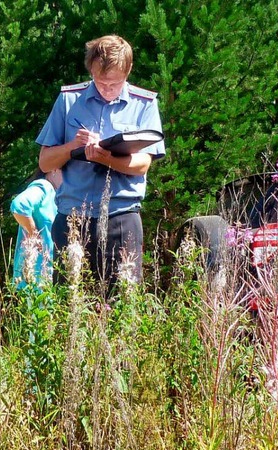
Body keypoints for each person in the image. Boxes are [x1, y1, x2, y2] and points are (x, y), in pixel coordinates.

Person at [36, 35, 166, 291]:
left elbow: (143, 165)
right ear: (91, 71)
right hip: (73, 218)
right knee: (68, 300)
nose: (106, 89)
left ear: (127, 73)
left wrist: (107, 156)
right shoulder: (68, 101)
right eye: (99, 81)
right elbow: (45, 162)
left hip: (121, 217)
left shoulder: (145, 105)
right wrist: (72, 146)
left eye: (114, 84)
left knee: (123, 302)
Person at [11, 169, 62, 289]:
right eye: (67, 171)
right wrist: (34, 234)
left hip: (47, 275)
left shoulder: (57, 195)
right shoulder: (44, 187)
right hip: (35, 273)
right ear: (53, 169)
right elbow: (19, 205)